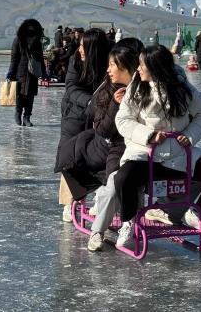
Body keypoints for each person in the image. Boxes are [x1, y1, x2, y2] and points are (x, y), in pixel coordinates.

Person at [112, 45, 201, 249]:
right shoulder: (136, 87)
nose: (138, 69)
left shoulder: (182, 88)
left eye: (142, 65)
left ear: (155, 67)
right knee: (123, 178)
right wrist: (148, 135)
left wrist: (189, 135)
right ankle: (129, 220)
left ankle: (196, 211)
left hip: (178, 156)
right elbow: (123, 120)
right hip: (145, 155)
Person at [59, 39, 143, 252]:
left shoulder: (146, 87)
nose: (108, 69)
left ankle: (164, 211)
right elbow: (103, 129)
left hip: (140, 147)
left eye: (112, 65)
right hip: (108, 146)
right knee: (115, 181)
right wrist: (115, 104)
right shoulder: (106, 90)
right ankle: (98, 227)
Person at [54, 28, 110, 222]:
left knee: (98, 155)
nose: (80, 49)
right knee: (68, 155)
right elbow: (71, 87)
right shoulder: (75, 59)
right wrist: (90, 102)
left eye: (83, 46)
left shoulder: (108, 61)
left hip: (100, 116)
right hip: (74, 114)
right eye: (79, 45)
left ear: (93, 48)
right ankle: (68, 202)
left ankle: (99, 199)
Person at [6, 19, 47, 127]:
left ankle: (27, 117)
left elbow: (40, 58)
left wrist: (44, 72)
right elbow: (14, 58)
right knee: (20, 95)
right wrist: (10, 73)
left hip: (33, 73)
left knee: (30, 96)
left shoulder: (37, 41)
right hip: (20, 71)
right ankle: (18, 113)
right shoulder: (18, 40)